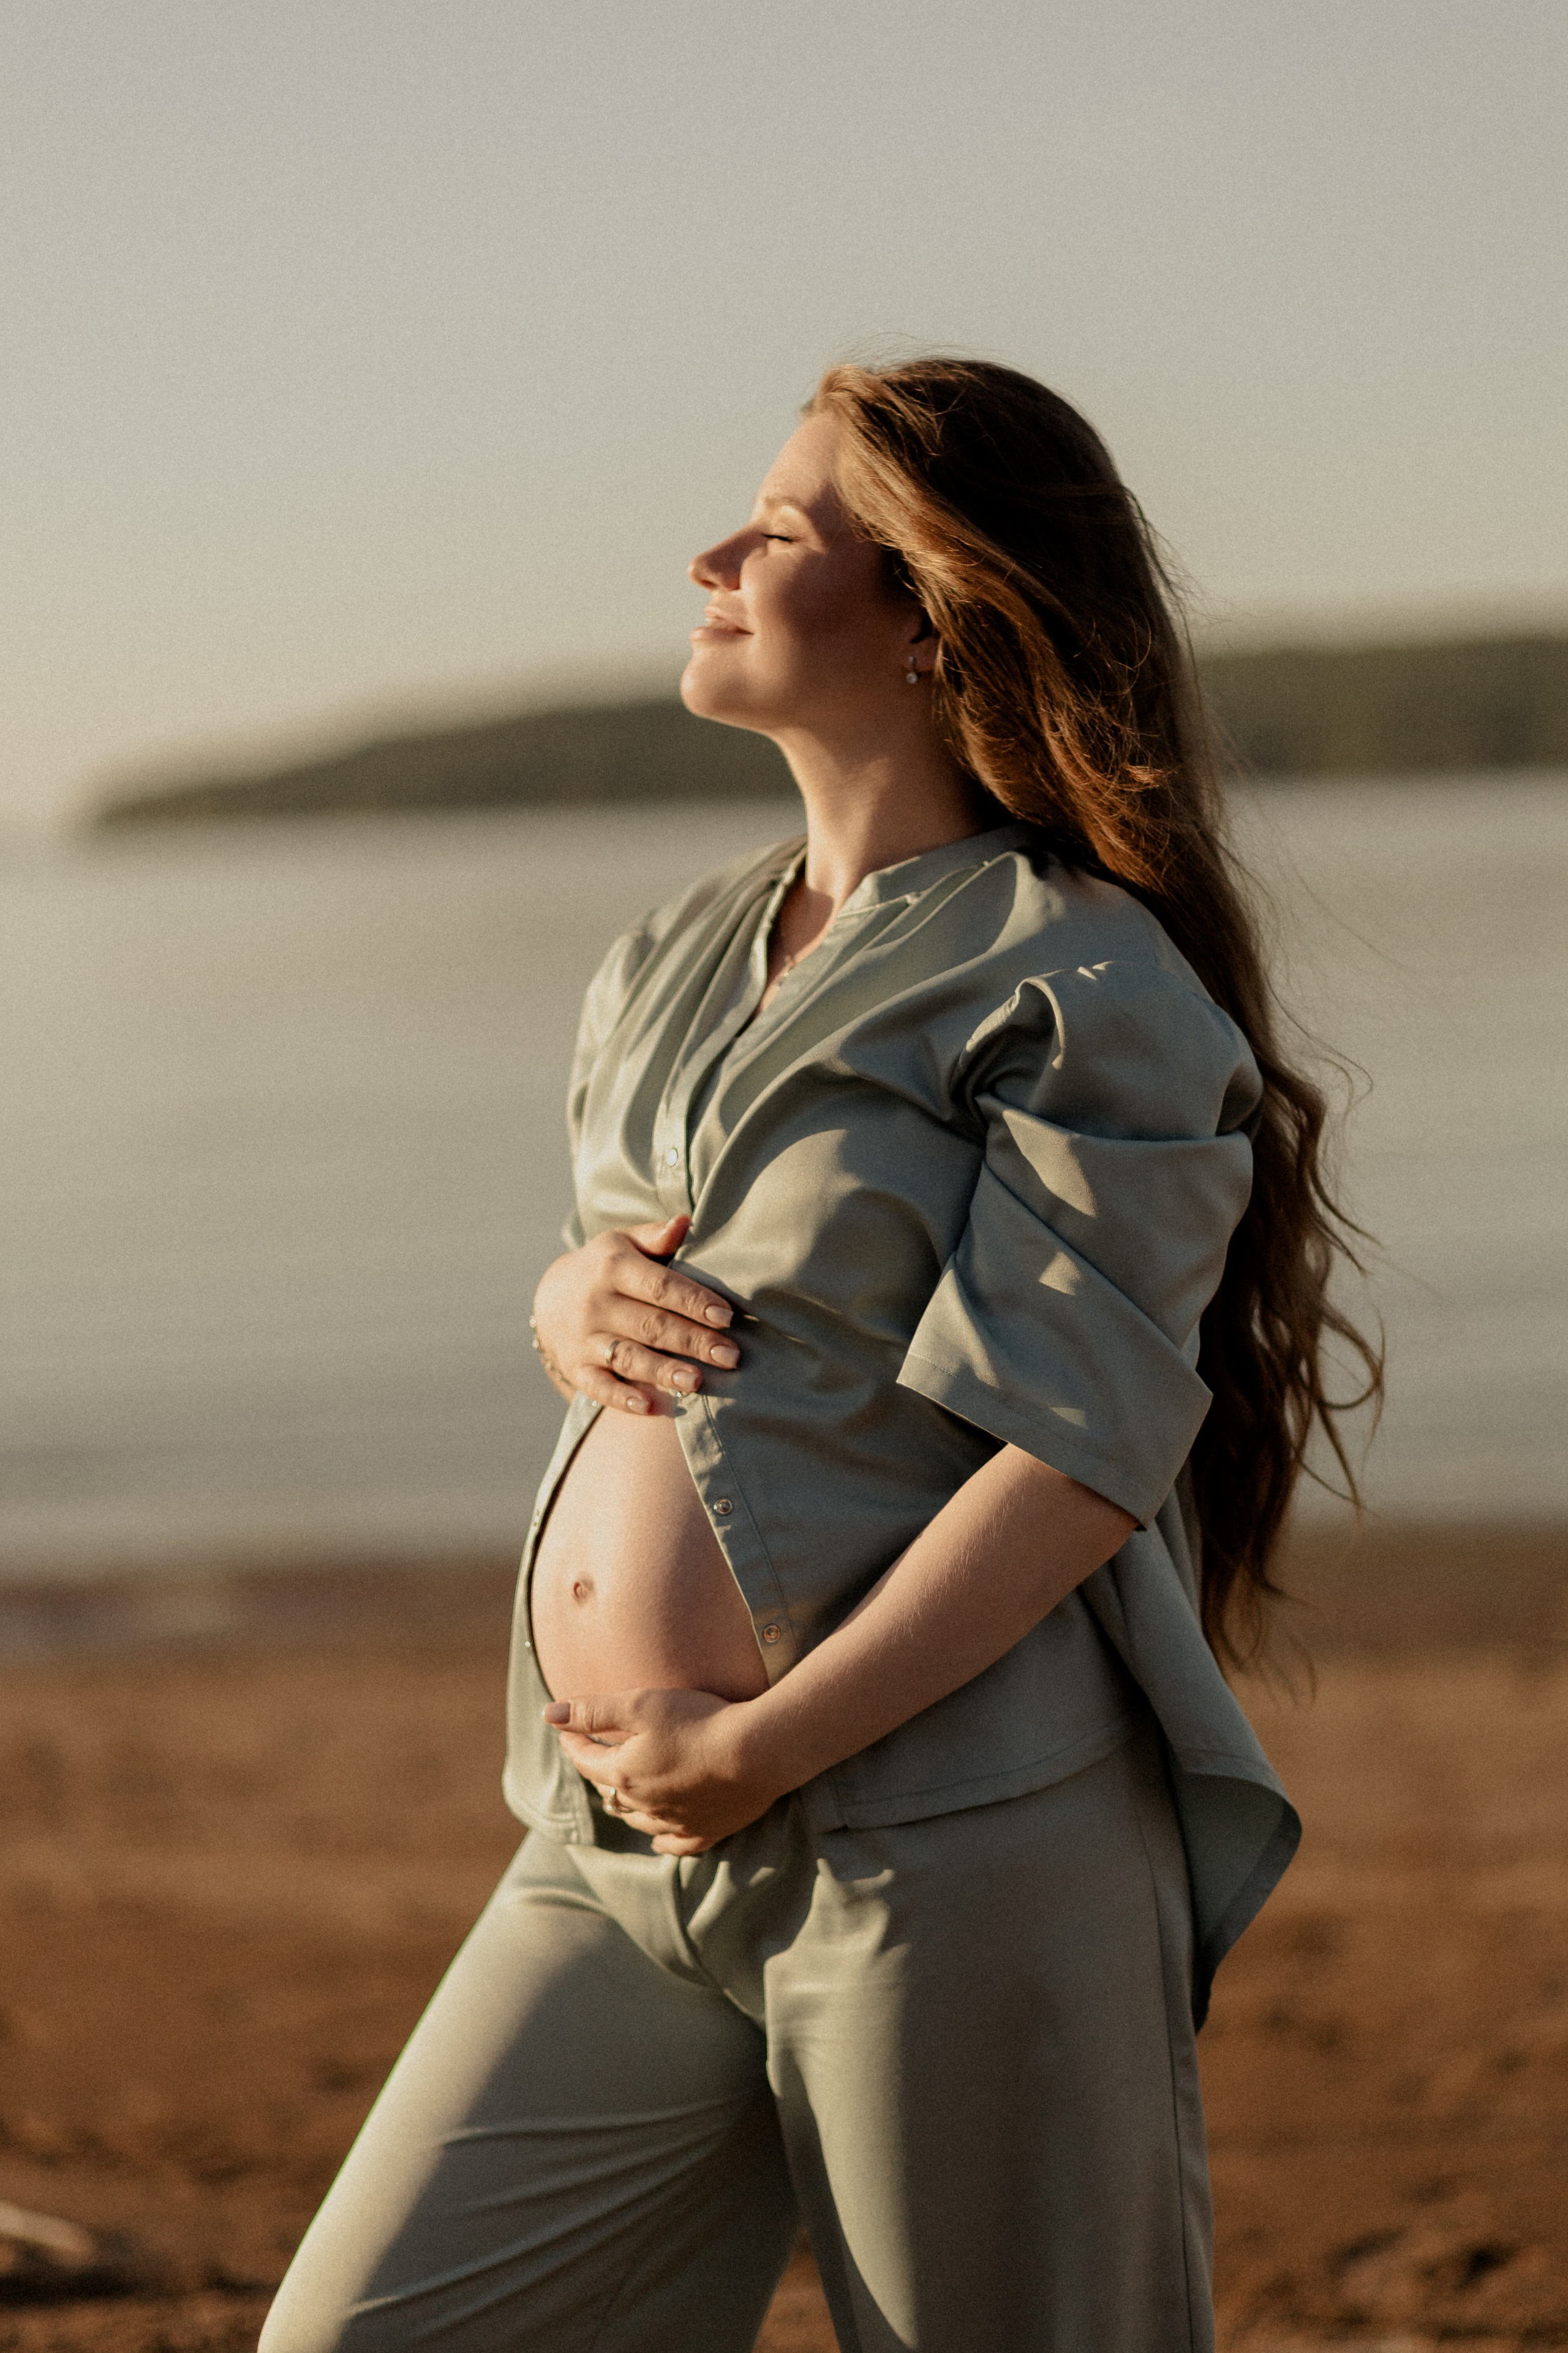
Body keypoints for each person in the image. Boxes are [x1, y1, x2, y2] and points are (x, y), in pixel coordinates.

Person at [260, 358, 1378, 2353]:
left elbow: (1076, 1461)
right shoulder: (670, 954)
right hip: (610, 1838)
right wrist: (556, 1298)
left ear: (935, 611)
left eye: (781, 528)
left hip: (940, 1846)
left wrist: (762, 1746)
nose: (712, 552)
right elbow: (693, 1319)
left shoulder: (1081, 973)